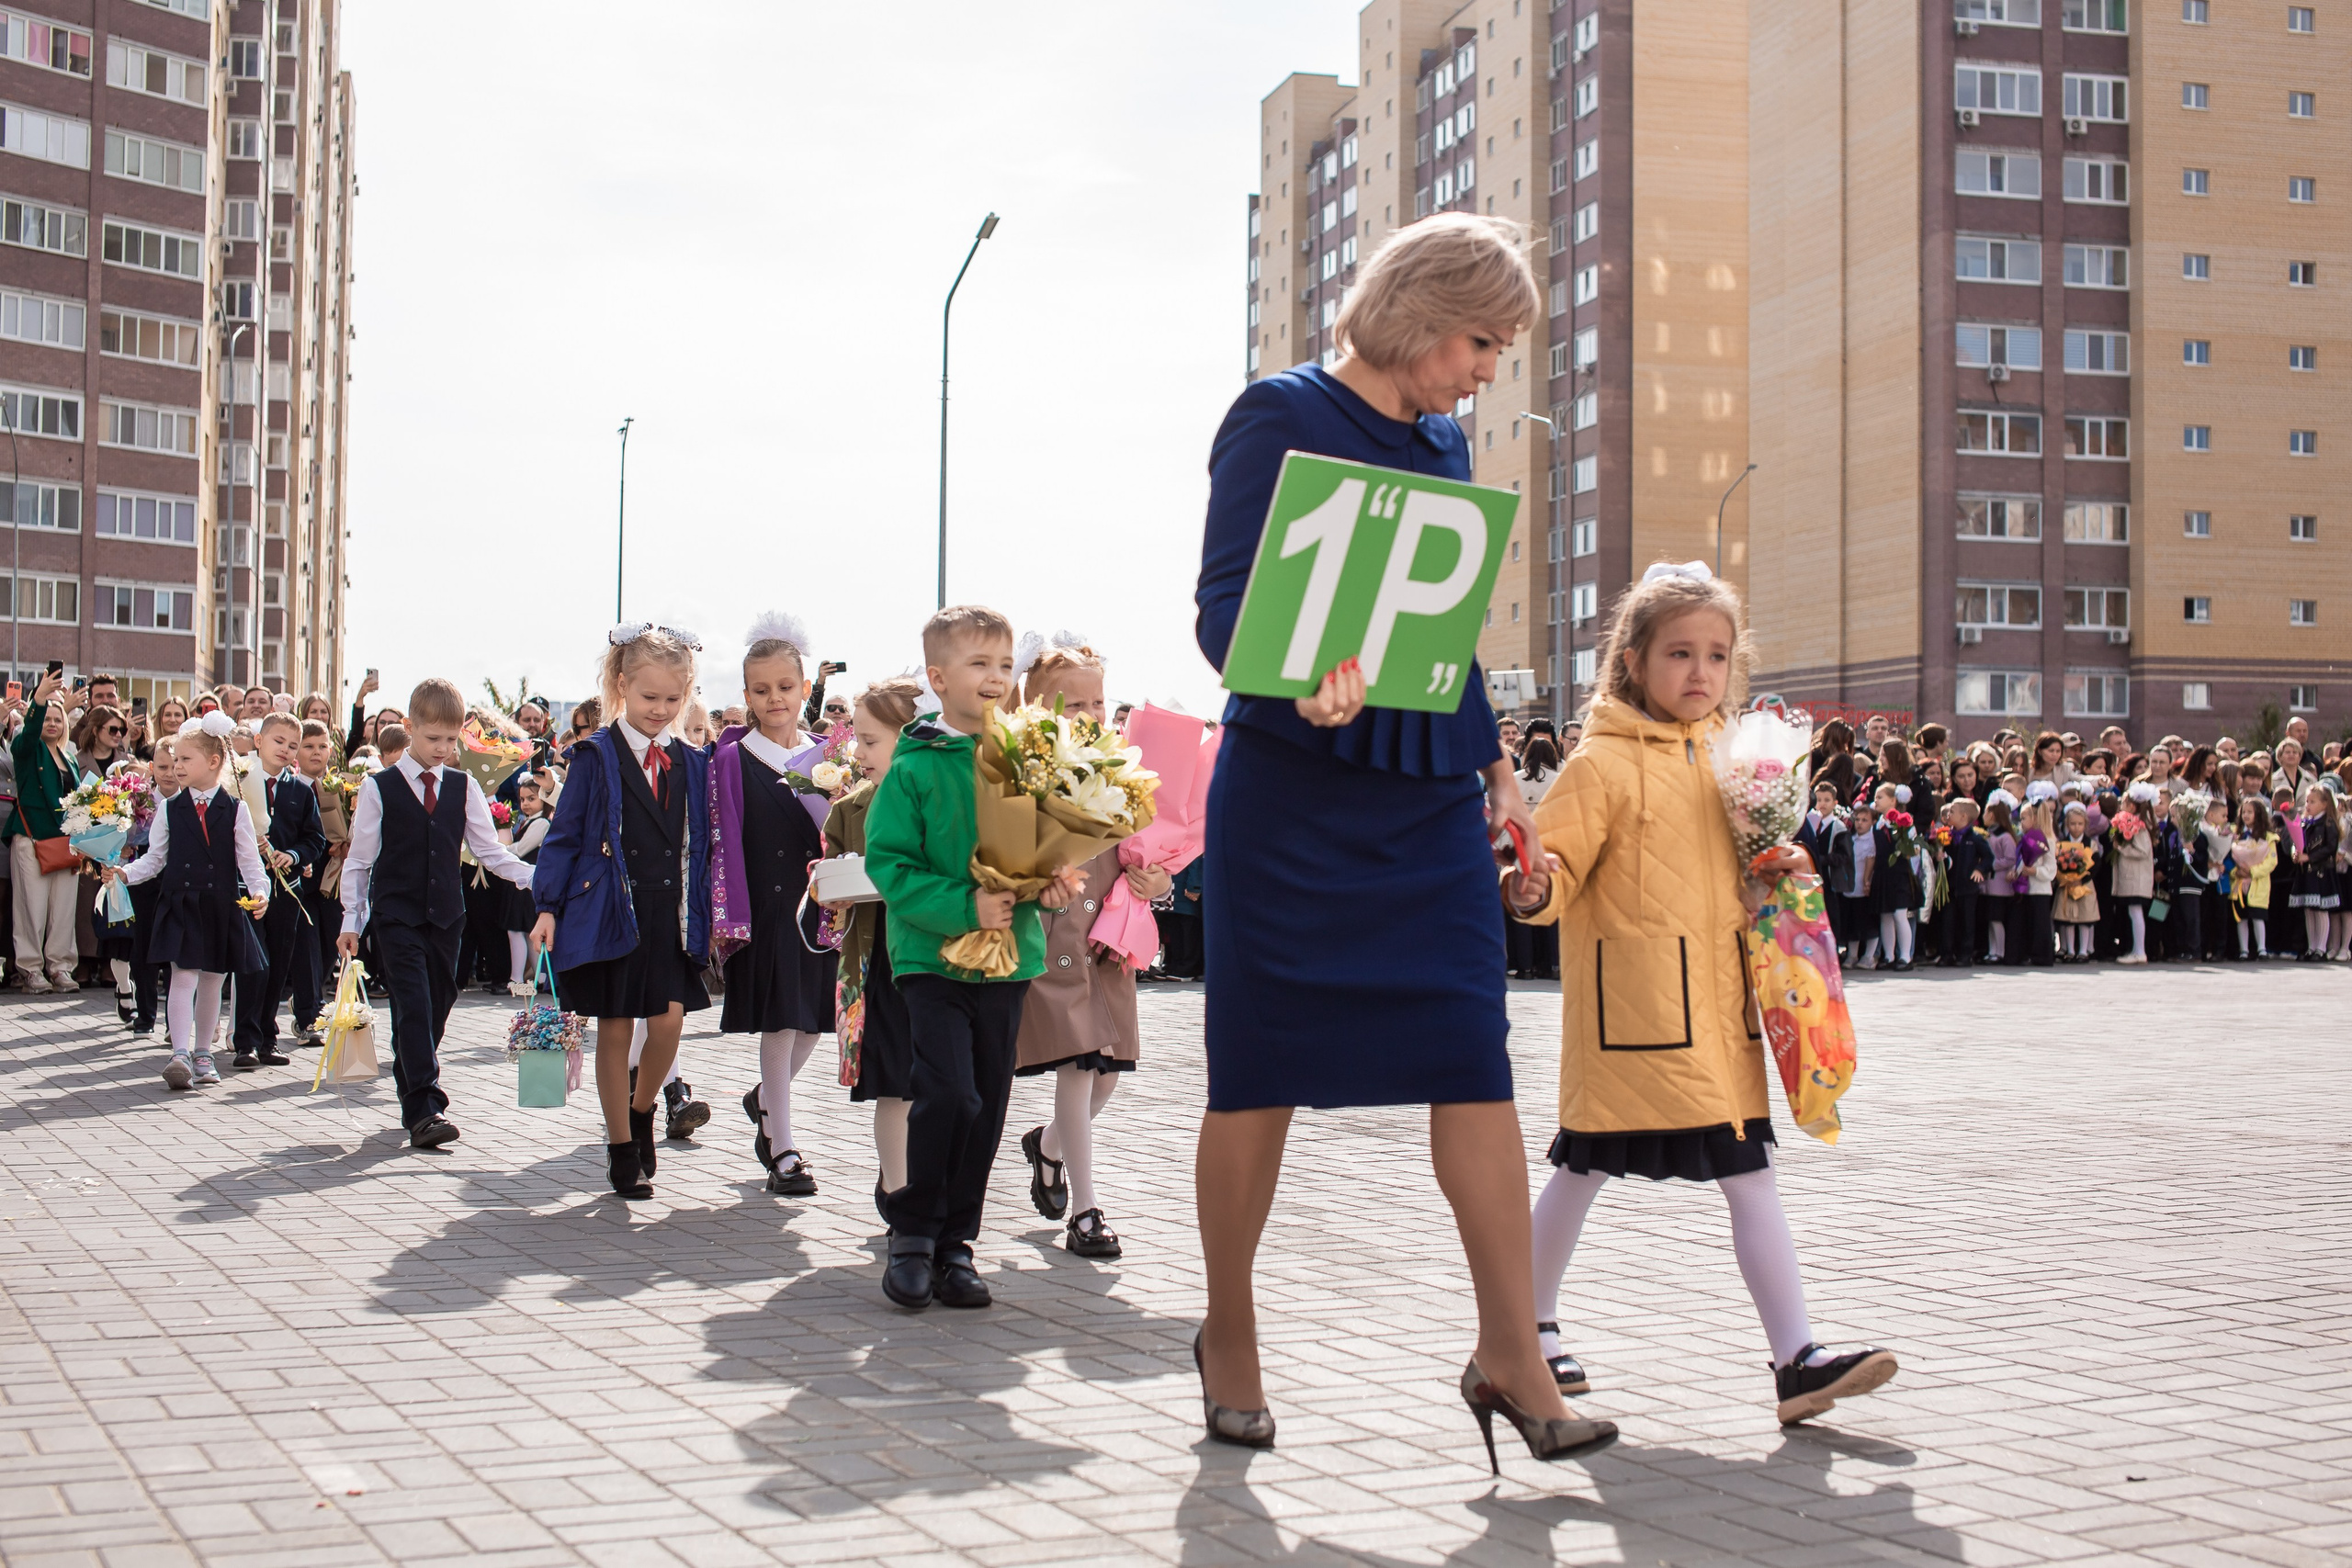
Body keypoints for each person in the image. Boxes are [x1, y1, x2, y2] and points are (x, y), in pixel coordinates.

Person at [1190, 214, 1605, 1464]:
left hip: (1426, 793)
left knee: (1471, 1054)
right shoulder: (1277, 411)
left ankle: (1509, 1352)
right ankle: (1231, 1330)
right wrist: (1302, 669)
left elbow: (1448, 616)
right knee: (1258, 1070)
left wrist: (1495, 767)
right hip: (1292, 789)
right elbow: (1222, 608)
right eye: (1483, 340)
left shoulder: (1444, 435)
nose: (1489, 367)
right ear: (1421, 314)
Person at [1506, 561, 1895, 1430]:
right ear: (1632, 661)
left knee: (1749, 1172)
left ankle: (1797, 1359)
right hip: (1631, 1020)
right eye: (1679, 653)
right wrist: (1534, 887)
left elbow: (1737, 882)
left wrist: (1779, 871)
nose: (1700, 672)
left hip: (1721, 1019)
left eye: (1717, 655)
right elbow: (1556, 865)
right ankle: (1522, 1329)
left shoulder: (1735, 763)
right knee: (1583, 1163)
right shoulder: (1600, 762)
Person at [864, 604, 1086, 1311]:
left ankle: (958, 1242)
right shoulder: (915, 764)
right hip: (930, 959)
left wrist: (1050, 887)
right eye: (977, 664)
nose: (995, 677)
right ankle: (912, 1235)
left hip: (1009, 961)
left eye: (1001, 663)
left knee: (986, 1103)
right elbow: (888, 864)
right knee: (948, 1092)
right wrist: (965, 906)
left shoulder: (1026, 754)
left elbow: (1039, 854)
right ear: (938, 676)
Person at [529, 626, 713, 1200]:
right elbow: (563, 837)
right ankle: (619, 1145)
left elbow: (708, 843)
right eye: (648, 697)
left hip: (670, 911)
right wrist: (547, 907)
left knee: (668, 1024)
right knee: (614, 1029)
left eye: (672, 699)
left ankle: (641, 1109)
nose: (660, 710)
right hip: (610, 907)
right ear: (621, 686)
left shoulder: (694, 762)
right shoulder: (592, 756)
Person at [1009, 634, 1164, 1261]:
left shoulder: (1123, 766)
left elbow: (1145, 853)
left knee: (1108, 1075)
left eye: (1098, 702)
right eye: (1074, 704)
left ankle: (1048, 1147)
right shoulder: (1027, 771)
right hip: (1056, 934)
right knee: (1079, 1065)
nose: (1091, 715)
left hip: (1111, 936)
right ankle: (1087, 1209)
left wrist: (1160, 878)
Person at [337, 680, 537, 1150]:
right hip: (396, 915)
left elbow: (489, 850)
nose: (443, 750)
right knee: (412, 1003)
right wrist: (352, 920)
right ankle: (426, 1107)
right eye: (433, 740)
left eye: (452, 741)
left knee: (437, 1007)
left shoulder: (464, 786)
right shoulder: (378, 787)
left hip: (448, 917)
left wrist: (536, 876)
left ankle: (411, 1074)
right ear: (409, 729)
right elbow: (361, 860)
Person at [709, 613, 837, 1197]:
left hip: (820, 906)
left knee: (816, 1017)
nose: (775, 698)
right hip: (764, 904)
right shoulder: (733, 758)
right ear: (746, 696)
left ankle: (764, 1098)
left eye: (785, 687)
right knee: (782, 1020)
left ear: (805, 687)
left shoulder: (828, 757)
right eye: (761, 690)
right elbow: (722, 832)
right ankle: (781, 1144)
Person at [110, 714, 269, 1090]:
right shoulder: (169, 808)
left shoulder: (235, 809)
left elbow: (249, 860)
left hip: (220, 903)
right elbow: (155, 858)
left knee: (213, 979)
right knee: (182, 977)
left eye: (185, 759)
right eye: (174, 760)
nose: (176, 767)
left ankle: (203, 1052)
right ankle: (179, 1053)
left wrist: (259, 891)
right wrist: (125, 872)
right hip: (181, 902)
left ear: (213, 762)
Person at [820, 678, 926, 1216]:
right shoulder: (850, 809)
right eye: (857, 740)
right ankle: (899, 1193)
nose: (857, 753)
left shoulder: (949, 798)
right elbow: (832, 880)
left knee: (937, 1084)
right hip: (879, 961)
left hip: (936, 960)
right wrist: (830, 889)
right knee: (893, 1082)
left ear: (913, 737)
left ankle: (920, 1186)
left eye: (870, 741)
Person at [232, 714, 327, 1068]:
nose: (285, 750)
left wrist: (294, 854)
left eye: (292, 745)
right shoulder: (239, 782)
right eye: (278, 742)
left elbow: (315, 838)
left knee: (277, 964)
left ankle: (268, 1038)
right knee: (252, 965)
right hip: (249, 890)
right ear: (259, 742)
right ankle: (245, 1040)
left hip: (287, 891)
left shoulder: (300, 791)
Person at [8, 676, 82, 992]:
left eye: (58, 719)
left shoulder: (71, 758)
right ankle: (31, 970)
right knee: (31, 908)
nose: (52, 723)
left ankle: (61, 967)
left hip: (66, 842)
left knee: (63, 911)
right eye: (46, 719)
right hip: (32, 837)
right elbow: (23, 740)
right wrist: (39, 699)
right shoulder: (27, 748)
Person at [121, 736, 178, 1033]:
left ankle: (174, 1022)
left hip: (178, 884)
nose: (168, 773)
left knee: (173, 955)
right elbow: (123, 835)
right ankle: (145, 1015)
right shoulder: (137, 799)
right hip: (144, 882)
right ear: (152, 767)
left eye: (174, 766)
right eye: (162, 767)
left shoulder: (188, 801)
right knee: (142, 949)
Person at [295, 718, 347, 1040]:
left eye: (322, 746)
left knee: (331, 942)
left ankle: (310, 995)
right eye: (309, 746)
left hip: (333, 878)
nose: (316, 753)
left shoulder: (339, 787)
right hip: (303, 877)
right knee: (307, 948)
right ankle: (309, 1015)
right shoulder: (291, 786)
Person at [2289, 781, 2341, 961]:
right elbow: (2298, 843)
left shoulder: (2327, 823)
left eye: (2313, 801)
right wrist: (2296, 853)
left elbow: (2330, 848)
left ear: (2325, 804)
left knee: (2320, 910)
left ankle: (2320, 948)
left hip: (2321, 871)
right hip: (2306, 872)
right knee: (2308, 910)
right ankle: (2311, 947)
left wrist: (2310, 857)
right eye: (2307, 801)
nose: (2308, 805)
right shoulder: (2305, 822)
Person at [1939, 797, 1989, 966]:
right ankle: (1946, 954)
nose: (1948, 814)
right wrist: (1938, 854)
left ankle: (1965, 954)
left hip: (1968, 888)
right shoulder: (1946, 836)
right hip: (1950, 886)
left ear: (1963, 817)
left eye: (1952, 812)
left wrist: (1980, 869)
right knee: (1948, 921)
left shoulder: (1974, 838)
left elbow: (1988, 857)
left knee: (1967, 922)